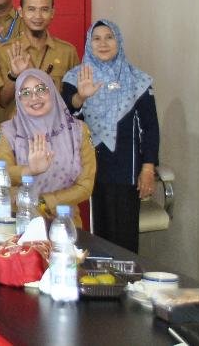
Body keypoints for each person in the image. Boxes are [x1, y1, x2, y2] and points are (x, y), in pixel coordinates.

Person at [61, 21, 159, 252]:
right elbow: (65, 116)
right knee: (87, 238)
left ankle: (126, 286)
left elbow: (150, 127)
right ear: (88, 43)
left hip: (125, 170)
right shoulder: (74, 78)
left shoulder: (139, 81)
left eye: (109, 37)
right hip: (84, 169)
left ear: (119, 42)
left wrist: (148, 168)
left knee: (123, 241)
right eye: (96, 38)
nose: (103, 43)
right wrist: (80, 98)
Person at [0, 68, 95, 226]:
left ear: (53, 91)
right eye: (25, 93)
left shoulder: (78, 130)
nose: (34, 97)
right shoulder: (8, 131)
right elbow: (2, 173)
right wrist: (30, 170)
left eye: (41, 89)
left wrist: (44, 202)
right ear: (18, 99)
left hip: (65, 224)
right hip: (20, 223)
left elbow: (85, 185)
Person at [0, 0, 80, 135]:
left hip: (58, 134)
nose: (38, 16)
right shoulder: (5, 50)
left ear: (53, 13)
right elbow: (1, 101)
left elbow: (75, 101)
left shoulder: (67, 51)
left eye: (44, 10)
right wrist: (14, 75)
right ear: (21, 12)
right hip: (18, 135)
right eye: (31, 9)